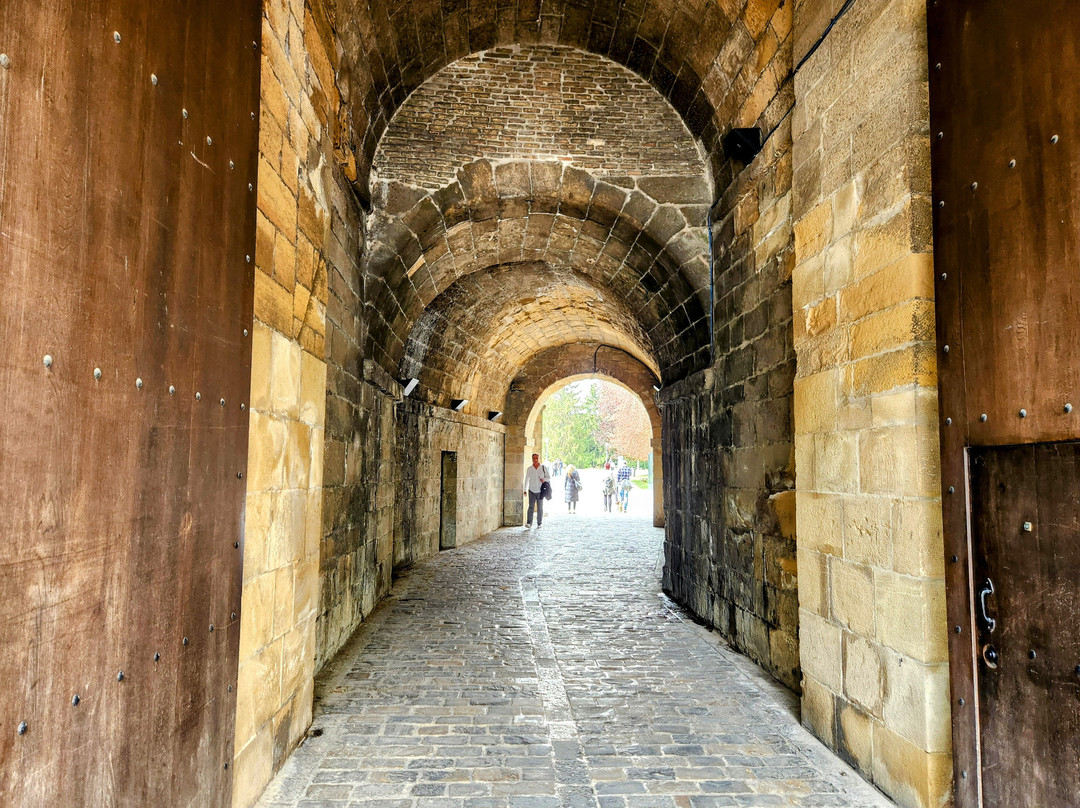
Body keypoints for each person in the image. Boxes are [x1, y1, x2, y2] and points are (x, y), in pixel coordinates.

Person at [522, 453, 549, 530]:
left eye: (536, 458)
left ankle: (539, 523)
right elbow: (526, 479)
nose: (535, 460)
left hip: (540, 491)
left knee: (540, 507)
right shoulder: (529, 469)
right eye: (534, 458)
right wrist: (525, 490)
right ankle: (529, 523)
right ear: (532, 459)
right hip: (531, 490)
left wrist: (544, 479)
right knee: (531, 507)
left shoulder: (543, 468)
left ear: (539, 459)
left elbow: (548, 477)